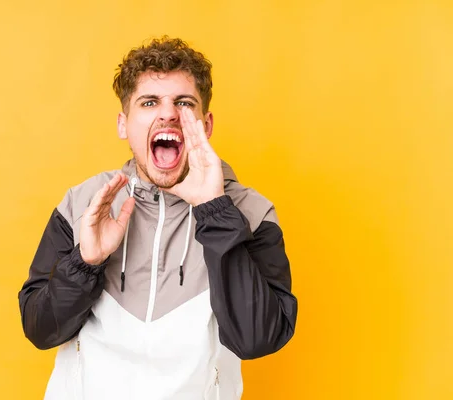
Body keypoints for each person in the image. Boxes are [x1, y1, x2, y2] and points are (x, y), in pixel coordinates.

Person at [18, 36, 297, 400]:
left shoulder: (252, 213)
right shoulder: (82, 204)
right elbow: (40, 330)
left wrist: (215, 210)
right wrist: (85, 263)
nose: (168, 113)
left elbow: (257, 338)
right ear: (124, 124)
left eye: (183, 102)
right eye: (149, 102)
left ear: (205, 124)